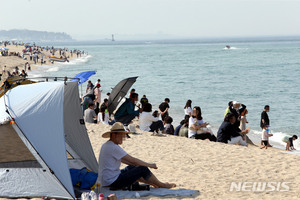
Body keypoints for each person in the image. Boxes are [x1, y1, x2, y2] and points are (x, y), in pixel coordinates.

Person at [97, 122, 176, 189]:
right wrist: (150, 165)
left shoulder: (107, 145)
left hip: (106, 181)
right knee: (142, 169)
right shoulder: (114, 147)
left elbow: (127, 161)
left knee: (133, 168)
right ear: (114, 135)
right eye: (121, 135)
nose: (123, 138)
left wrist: (135, 166)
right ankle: (162, 185)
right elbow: (133, 160)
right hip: (113, 182)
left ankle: (153, 183)